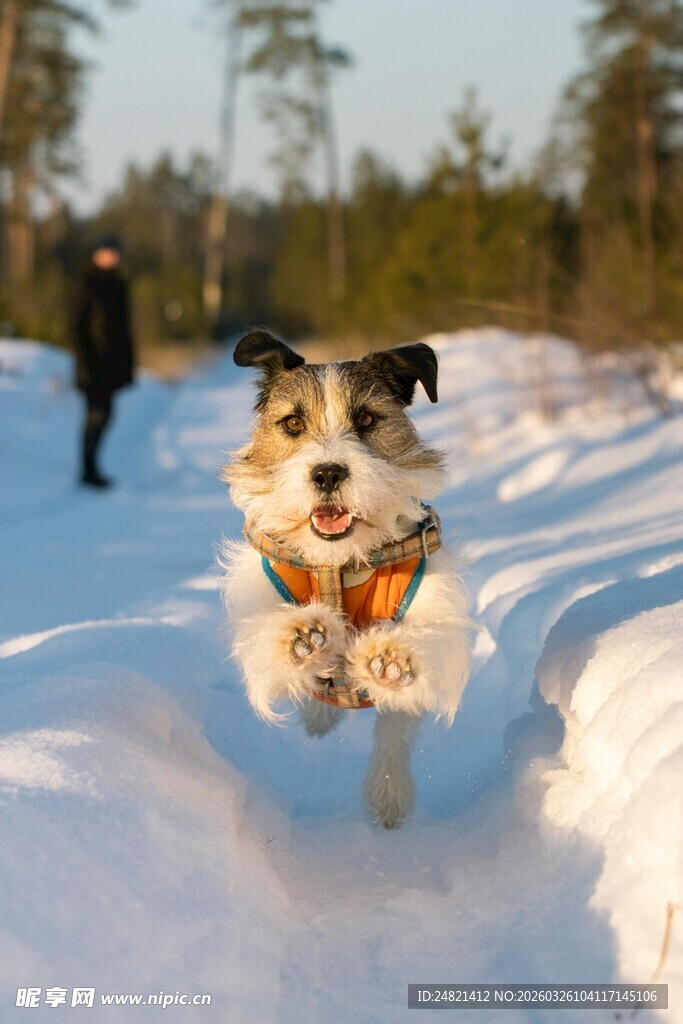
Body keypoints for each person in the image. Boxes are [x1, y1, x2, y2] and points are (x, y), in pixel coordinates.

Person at [73, 234, 135, 488]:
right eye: (108, 251)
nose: (112, 256)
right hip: (93, 365)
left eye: (115, 251)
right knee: (96, 416)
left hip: (112, 365)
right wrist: (86, 363)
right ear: (96, 253)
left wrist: (128, 364)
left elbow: (124, 330)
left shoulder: (119, 284)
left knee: (105, 415)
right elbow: (77, 326)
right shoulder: (86, 283)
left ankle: (92, 467)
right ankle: (88, 470)